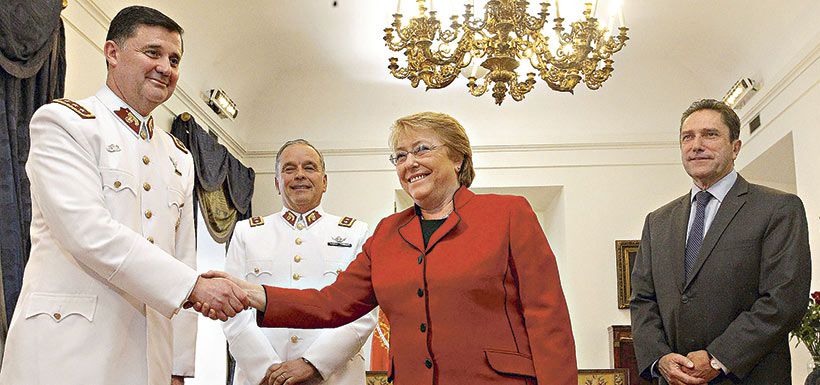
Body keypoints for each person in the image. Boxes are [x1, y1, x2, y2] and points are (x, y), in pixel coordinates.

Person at [203, 112, 578, 385]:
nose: (409, 162)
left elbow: (548, 318)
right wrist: (254, 293)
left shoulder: (508, 213)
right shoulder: (387, 233)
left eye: (422, 149)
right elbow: (331, 303)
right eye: (400, 156)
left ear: (458, 158)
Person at [0, 6, 248, 385]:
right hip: (66, 350)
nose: (166, 66)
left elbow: (181, 255)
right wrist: (194, 287)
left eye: (174, 58)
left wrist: (178, 367)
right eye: (153, 52)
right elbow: (88, 232)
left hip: (149, 358)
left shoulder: (180, 156)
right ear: (112, 53)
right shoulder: (64, 123)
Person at [630, 99, 811, 385]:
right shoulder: (658, 221)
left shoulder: (778, 208)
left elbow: (783, 299)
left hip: (749, 377)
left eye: (710, 135)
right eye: (687, 137)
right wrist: (660, 359)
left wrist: (717, 358)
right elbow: (643, 300)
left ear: (735, 147)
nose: (696, 145)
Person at [222, 139, 376, 385]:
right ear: (277, 183)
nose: (300, 175)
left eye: (310, 167)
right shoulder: (247, 232)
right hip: (262, 378)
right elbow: (232, 309)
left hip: (333, 377)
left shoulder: (355, 233)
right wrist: (268, 370)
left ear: (324, 182)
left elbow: (364, 313)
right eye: (289, 168)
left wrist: (312, 364)